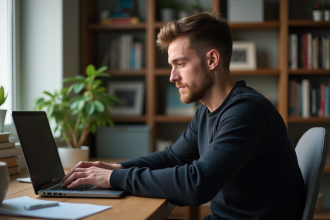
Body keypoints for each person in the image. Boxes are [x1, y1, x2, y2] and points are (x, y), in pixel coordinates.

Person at [61, 11, 306, 220]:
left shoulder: (247, 112)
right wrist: (115, 167)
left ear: (212, 59)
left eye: (180, 64)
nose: (172, 77)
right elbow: (173, 157)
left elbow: (197, 184)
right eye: (171, 65)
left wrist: (114, 178)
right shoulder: (207, 111)